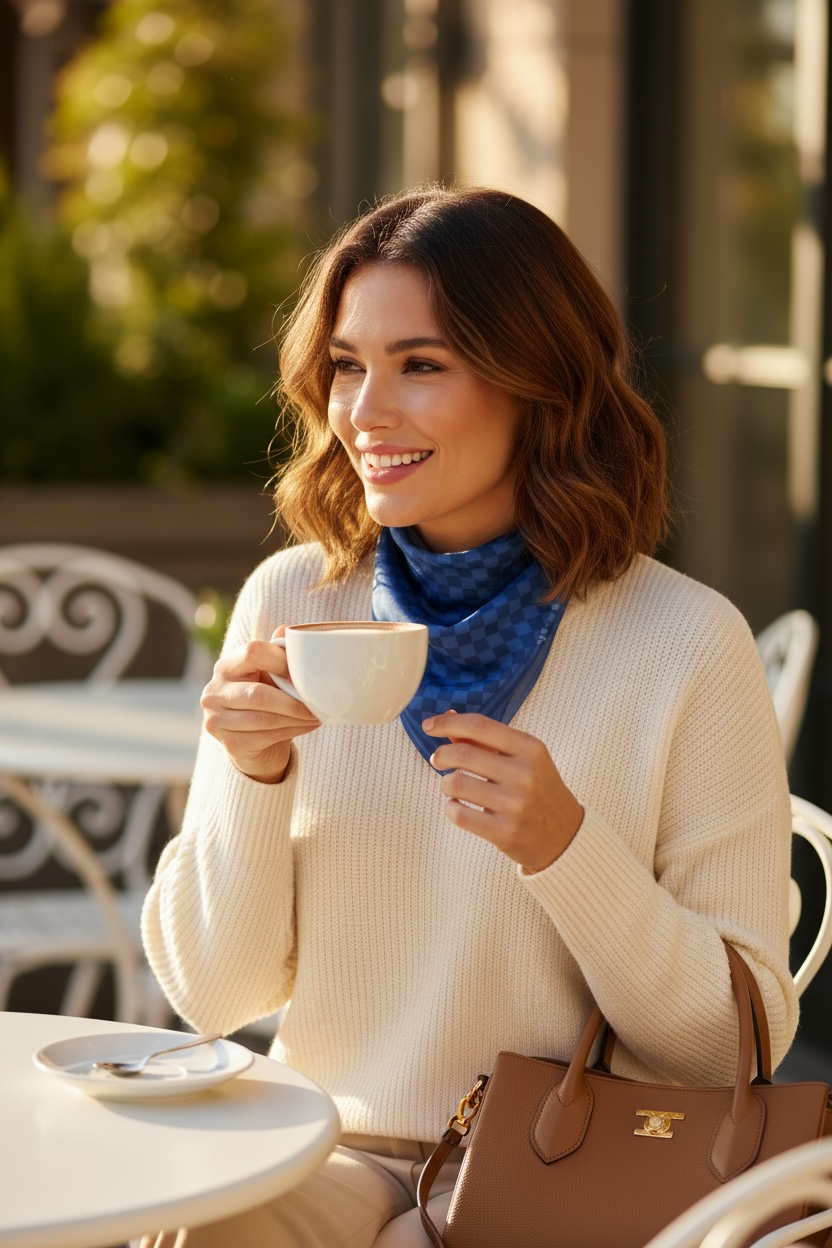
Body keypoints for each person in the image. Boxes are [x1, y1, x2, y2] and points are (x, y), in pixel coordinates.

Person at [139, 185, 798, 1248]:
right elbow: (215, 994)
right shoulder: (295, 602)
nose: (363, 411)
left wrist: (568, 850)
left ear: (538, 383)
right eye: (348, 365)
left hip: (563, 1160)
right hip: (324, 1145)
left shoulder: (683, 641)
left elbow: (729, 1052)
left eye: (422, 365)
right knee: (196, 1226)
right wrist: (253, 785)